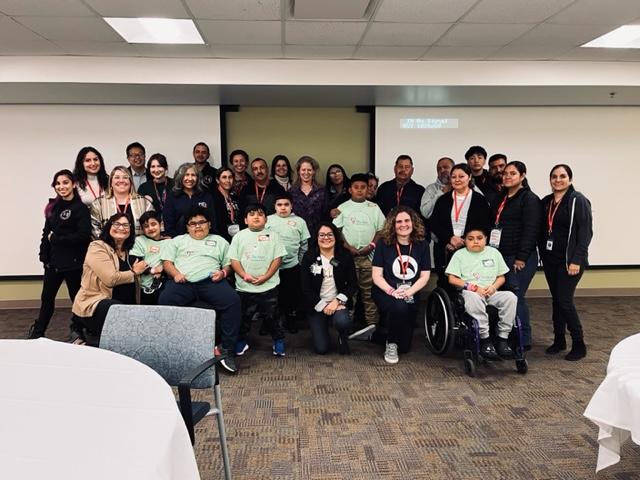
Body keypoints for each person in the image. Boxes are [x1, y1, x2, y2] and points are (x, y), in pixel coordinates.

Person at [158, 206, 241, 374]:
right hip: (183, 282)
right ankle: (171, 349)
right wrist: (175, 274)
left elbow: (229, 264)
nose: (198, 226)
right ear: (187, 227)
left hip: (211, 281)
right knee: (165, 301)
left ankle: (226, 350)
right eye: (193, 223)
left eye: (202, 222)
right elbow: (167, 262)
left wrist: (223, 273)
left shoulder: (219, 241)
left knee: (233, 301)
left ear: (209, 224)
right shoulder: (177, 241)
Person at [28, 170, 91, 339]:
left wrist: (57, 239)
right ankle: (37, 333)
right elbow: (46, 234)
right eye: (57, 183)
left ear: (73, 184)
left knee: (76, 299)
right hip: (53, 263)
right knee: (46, 298)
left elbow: (83, 236)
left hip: (73, 263)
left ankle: (78, 332)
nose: (61, 186)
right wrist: (44, 256)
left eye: (65, 182)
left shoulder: (80, 208)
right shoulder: (53, 207)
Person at [540, 164, 593, 361]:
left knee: (564, 300)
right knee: (557, 300)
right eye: (554, 176)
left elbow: (585, 233)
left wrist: (577, 259)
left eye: (562, 176)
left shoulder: (577, 200)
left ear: (570, 179)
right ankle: (559, 340)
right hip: (550, 260)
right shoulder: (547, 202)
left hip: (570, 261)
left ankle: (579, 343)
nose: (558, 180)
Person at [71, 213, 147, 343]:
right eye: (117, 224)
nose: (121, 228)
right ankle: (81, 329)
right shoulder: (97, 247)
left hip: (126, 306)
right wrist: (134, 272)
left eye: (125, 225)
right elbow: (110, 279)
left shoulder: (130, 252)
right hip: (95, 303)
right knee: (117, 310)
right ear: (108, 227)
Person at [490, 161, 541, 350]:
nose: (507, 176)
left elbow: (531, 230)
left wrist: (521, 257)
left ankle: (523, 339)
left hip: (519, 258)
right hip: (500, 255)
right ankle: (508, 334)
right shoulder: (501, 197)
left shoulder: (529, 199)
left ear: (522, 176)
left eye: (513, 173)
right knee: (505, 297)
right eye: (505, 173)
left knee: (516, 296)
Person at [445, 227, 516, 360]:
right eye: (471, 239)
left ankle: (503, 338)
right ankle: (485, 339)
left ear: (486, 239)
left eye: (479, 238)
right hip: (471, 292)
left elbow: (501, 277)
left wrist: (493, 287)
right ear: (465, 241)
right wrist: (473, 288)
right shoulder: (459, 255)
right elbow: (452, 279)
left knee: (511, 297)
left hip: (491, 291)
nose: (475, 241)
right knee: (472, 297)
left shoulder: (494, 253)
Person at [372, 206, 431, 364]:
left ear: (413, 223)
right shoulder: (383, 244)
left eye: (407, 220)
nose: (403, 225)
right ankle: (391, 344)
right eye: (398, 222)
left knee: (404, 347)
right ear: (392, 224)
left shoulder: (423, 245)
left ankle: (375, 335)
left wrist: (409, 292)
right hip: (385, 291)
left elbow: (425, 276)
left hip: (410, 292)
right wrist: (392, 291)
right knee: (399, 306)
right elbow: (376, 276)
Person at [229, 204, 287, 357]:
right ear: (245, 220)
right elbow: (234, 260)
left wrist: (266, 276)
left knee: (272, 317)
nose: (256, 217)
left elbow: (278, 258)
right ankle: (241, 341)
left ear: (266, 219)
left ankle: (278, 340)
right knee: (244, 317)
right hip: (244, 287)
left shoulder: (274, 236)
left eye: (260, 214)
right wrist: (244, 275)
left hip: (269, 287)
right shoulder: (239, 236)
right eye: (252, 214)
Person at [333, 173, 385, 340]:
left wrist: (372, 245)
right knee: (349, 293)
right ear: (350, 190)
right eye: (356, 187)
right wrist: (348, 247)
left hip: (370, 257)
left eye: (363, 187)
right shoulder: (343, 207)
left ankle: (372, 326)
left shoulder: (374, 208)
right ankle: (345, 326)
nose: (360, 190)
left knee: (369, 294)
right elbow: (337, 231)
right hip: (349, 258)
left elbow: (381, 230)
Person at [300, 222, 357, 354]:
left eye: (330, 234)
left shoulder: (345, 256)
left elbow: (353, 284)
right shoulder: (309, 257)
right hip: (317, 305)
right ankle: (322, 329)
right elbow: (305, 288)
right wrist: (324, 306)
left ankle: (342, 336)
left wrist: (337, 301)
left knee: (342, 321)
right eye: (322, 235)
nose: (326, 238)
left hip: (337, 304)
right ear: (316, 237)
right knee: (321, 348)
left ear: (336, 237)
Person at [431, 163, 491, 286]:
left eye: (461, 176)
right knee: (445, 282)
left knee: (470, 283)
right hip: (446, 248)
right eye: (453, 177)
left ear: (469, 177)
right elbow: (435, 223)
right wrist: (449, 239)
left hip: (471, 247)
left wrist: (465, 241)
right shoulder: (443, 199)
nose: (457, 179)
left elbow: (485, 225)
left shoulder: (479, 200)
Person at [265, 192, 310, 333]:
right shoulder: (267, 220)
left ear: (291, 206)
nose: (283, 208)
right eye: (279, 205)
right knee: (271, 296)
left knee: (290, 295)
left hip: (292, 265)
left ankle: (290, 319)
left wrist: (300, 262)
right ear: (274, 206)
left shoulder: (300, 221)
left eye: (286, 204)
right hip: (271, 267)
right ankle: (269, 322)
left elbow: (304, 244)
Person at [90, 166, 154, 239]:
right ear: (111, 183)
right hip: (107, 245)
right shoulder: (98, 204)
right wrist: (106, 243)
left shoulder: (144, 203)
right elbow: (94, 229)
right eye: (117, 177)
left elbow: (152, 226)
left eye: (125, 177)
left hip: (138, 245)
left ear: (130, 182)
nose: (121, 180)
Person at [162, 162, 216, 238]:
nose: (190, 179)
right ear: (180, 177)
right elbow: (168, 223)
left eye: (193, 175)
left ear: (198, 178)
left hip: (204, 238)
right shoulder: (172, 197)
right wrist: (175, 239)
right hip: (179, 239)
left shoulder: (206, 196)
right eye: (186, 175)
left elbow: (213, 221)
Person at [129, 211, 165, 305]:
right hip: (141, 283)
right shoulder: (139, 240)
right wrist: (152, 270)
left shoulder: (169, 242)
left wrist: (162, 269)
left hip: (163, 281)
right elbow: (135, 261)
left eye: (153, 224)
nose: (150, 228)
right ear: (142, 229)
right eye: (146, 226)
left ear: (160, 224)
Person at [290, 155, 327, 236]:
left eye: (309, 170)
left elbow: (326, 214)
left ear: (314, 172)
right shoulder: (291, 192)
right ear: (298, 172)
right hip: (297, 233)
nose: (306, 173)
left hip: (318, 234)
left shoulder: (322, 191)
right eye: (303, 170)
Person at [212, 167, 241, 241]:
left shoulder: (235, 197)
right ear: (217, 180)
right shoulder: (212, 198)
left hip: (237, 237)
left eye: (230, 177)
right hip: (220, 238)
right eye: (224, 177)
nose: (228, 180)